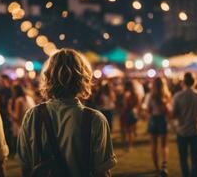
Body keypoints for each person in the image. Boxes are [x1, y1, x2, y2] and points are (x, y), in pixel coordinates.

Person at [17, 49, 116, 177]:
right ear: (83, 78)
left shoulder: (32, 116)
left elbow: (25, 168)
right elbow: (102, 172)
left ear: (48, 77)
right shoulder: (96, 119)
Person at [172, 72, 197, 177]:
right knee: (195, 158)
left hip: (182, 130)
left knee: (183, 158)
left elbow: (174, 114)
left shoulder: (178, 96)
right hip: (195, 129)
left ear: (183, 83)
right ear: (194, 82)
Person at [145, 77, 171, 176]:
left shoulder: (150, 96)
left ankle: (156, 168)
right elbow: (168, 111)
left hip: (153, 120)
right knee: (164, 145)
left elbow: (148, 111)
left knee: (154, 145)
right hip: (162, 120)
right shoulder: (167, 95)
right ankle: (164, 167)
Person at [8, 84, 35, 156]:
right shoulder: (29, 98)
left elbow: (16, 117)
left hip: (21, 126)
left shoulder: (19, 100)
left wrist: (9, 109)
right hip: (30, 125)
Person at [122, 81, 139, 150]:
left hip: (128, 113)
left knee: (127, 130)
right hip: (133, 112)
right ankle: (130, 144)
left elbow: (125, 105)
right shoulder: (136, 94)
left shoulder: (127, 94)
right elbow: (137, 104)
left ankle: (128, 144)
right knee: (131, 130)